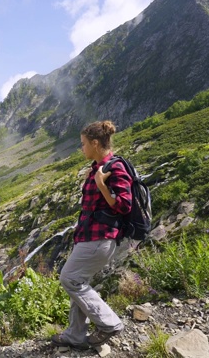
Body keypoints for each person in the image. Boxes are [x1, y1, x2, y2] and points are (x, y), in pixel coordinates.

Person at [51, 120, 132, 349]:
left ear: (95, 143)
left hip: (100, 239)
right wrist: (95, 177)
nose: (81, 148)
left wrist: (101, 184)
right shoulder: (99, 168)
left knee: (69, 279)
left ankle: (109, 323)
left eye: (83, 144)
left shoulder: (114, 168)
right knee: (79, 281)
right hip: (89, 238)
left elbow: (124, 205)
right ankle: (76, 335)